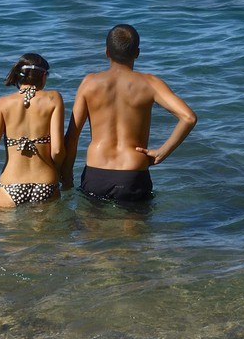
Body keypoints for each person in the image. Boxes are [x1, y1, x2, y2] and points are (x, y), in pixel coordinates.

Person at [61, 23, 197, 208]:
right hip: (133, 172)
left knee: (92, 232)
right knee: (135, 234)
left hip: (96, 172)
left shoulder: (89, 83)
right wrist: (161, 153)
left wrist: (67, 179)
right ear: (137, 53)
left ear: (106, 52)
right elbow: (188, 117)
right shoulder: (150, 83)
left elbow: (72, 138)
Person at [0, 52, 66, 207]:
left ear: (20, 76)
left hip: (10, 185)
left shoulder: (2, 103)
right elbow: (56, 151)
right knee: (47, 232)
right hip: (45, 184)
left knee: (9, 232)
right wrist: (60, 171)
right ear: (43, 76)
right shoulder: (53, 98)